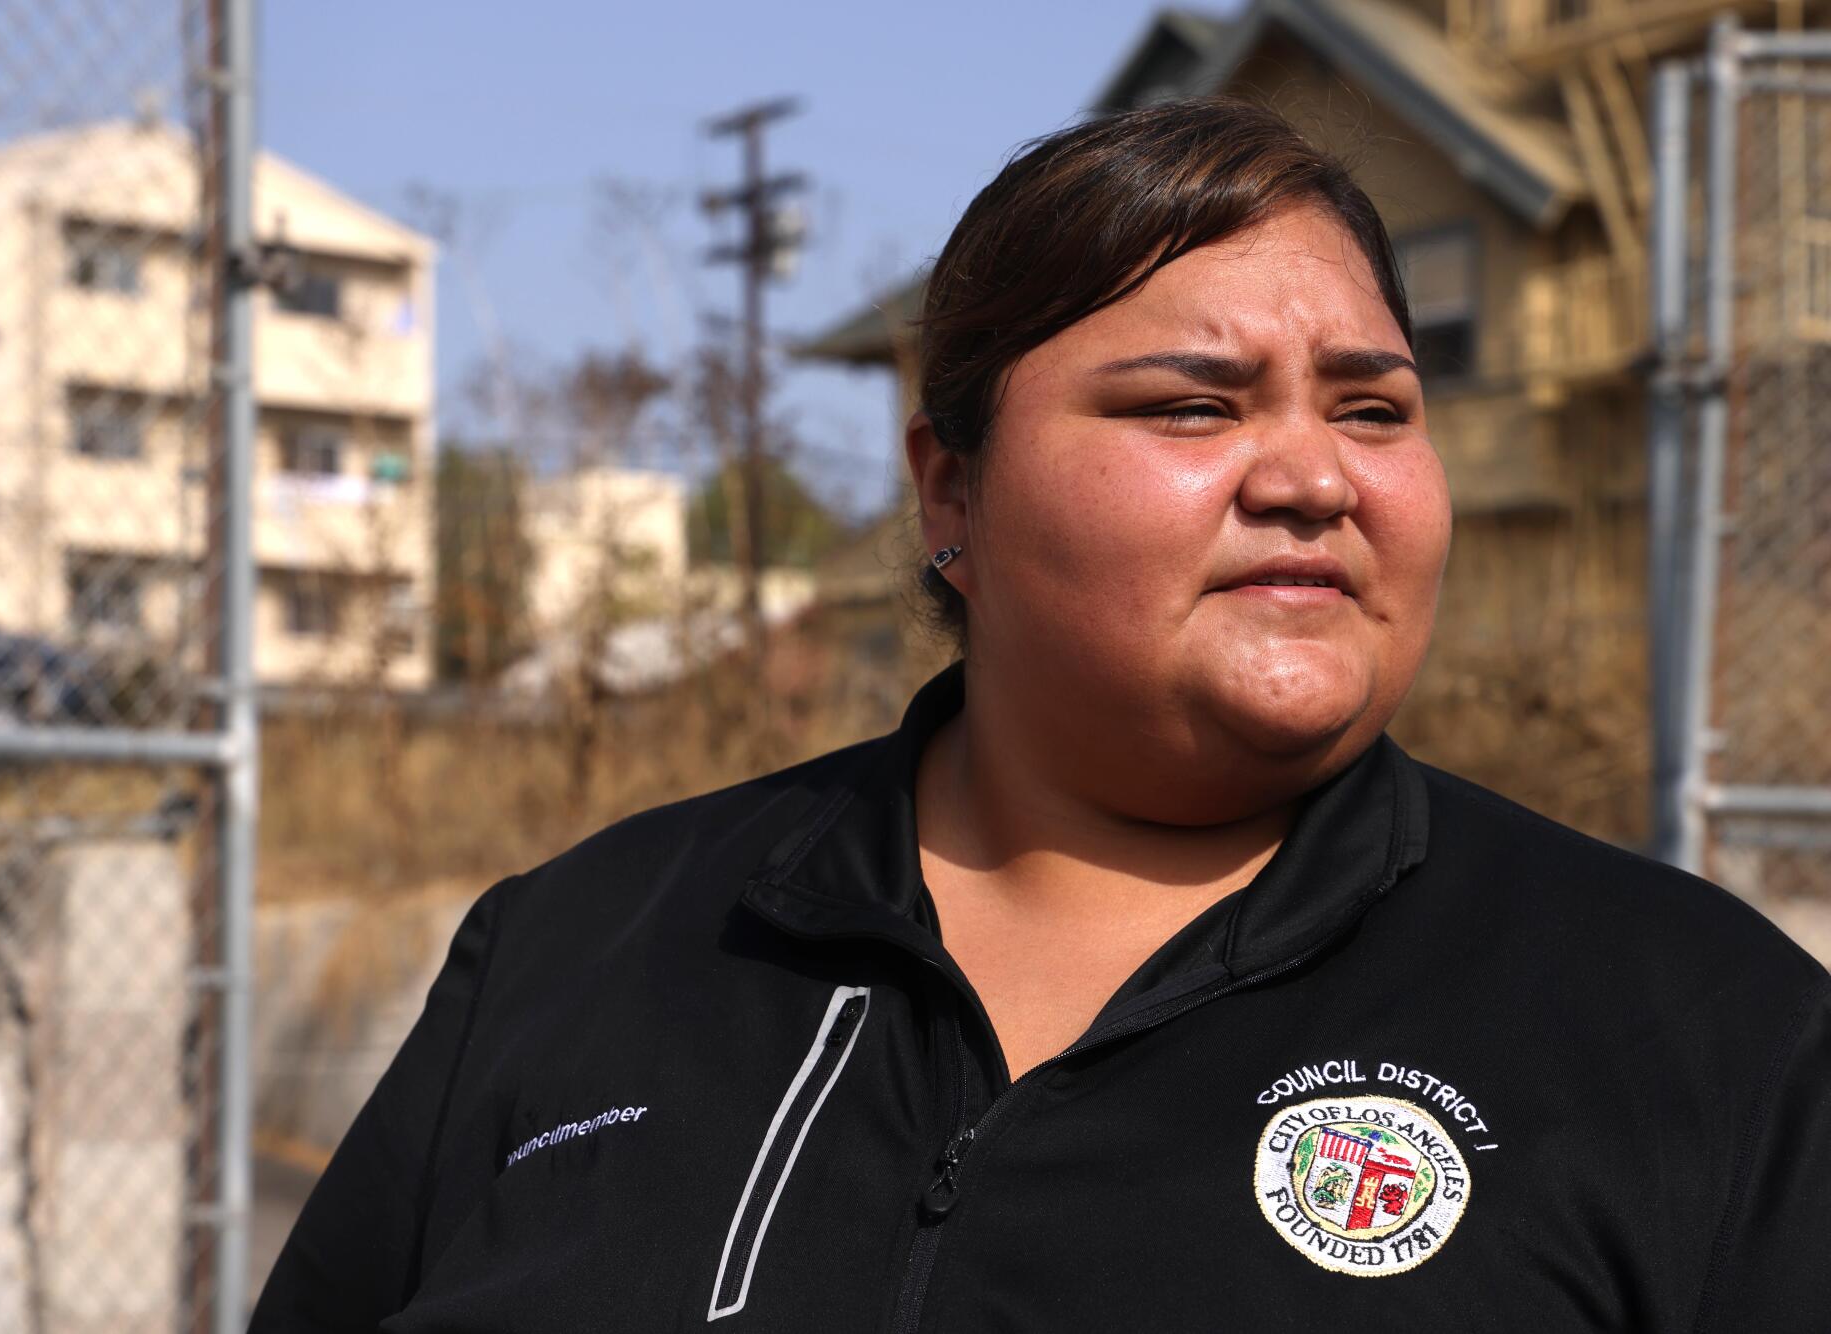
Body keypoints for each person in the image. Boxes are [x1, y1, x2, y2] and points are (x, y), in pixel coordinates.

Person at [250, 96, 1830, 1332]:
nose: (1313, 476)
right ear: (954, 486)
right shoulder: (578, 949)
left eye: (1373, 407)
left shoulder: (1699, 1030)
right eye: (1194, 404)